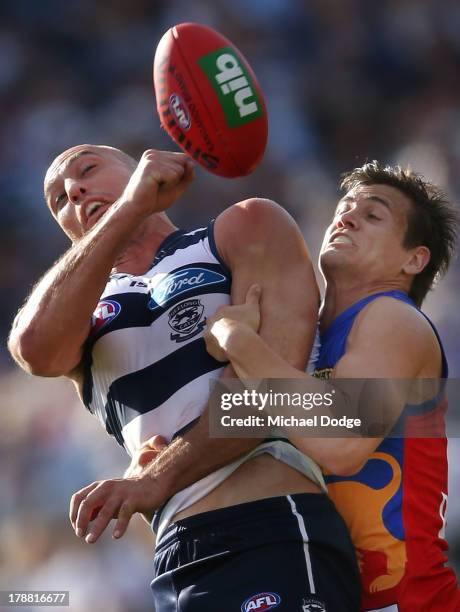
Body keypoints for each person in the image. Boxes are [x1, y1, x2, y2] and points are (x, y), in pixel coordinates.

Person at [8, 145, 360, 611]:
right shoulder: (80, 317)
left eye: (88, 169)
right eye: (59, 201)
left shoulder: (241, 228)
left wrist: (155, 478)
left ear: (137, 171)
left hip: (271, 527)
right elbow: (32, 348)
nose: (74, 191)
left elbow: (266, 397)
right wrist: (130, 206)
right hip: (176, 557)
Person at [203, 161, 460, 611]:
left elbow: (341, 439)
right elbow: (235, 429)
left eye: (373, 215)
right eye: (344, 208)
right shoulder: (306, 341)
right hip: (330, 593)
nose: (346, 217)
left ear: (413, 259)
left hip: (409, 601)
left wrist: (236, 339)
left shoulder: (393, 318)